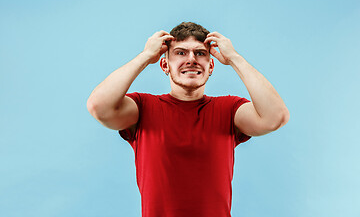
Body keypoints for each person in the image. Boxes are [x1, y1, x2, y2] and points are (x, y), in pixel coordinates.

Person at [87, 22, 290, 217]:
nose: (191, 59)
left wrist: (235, 58)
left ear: (211, 66)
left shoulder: (229, 110)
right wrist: (145, 56)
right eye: (181, 52)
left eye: (200, 53)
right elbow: (99, 107)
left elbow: (276, 117)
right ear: (164, 64)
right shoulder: (143, 107)